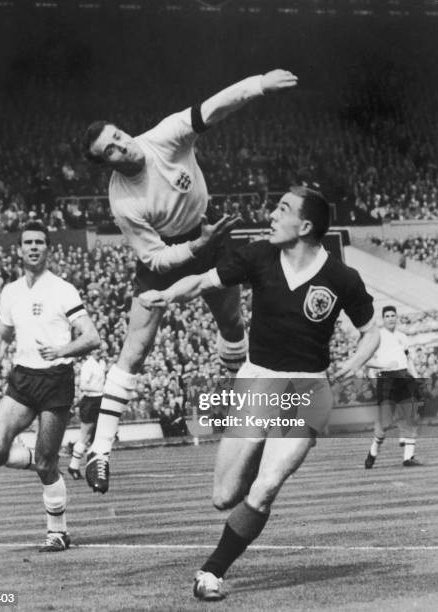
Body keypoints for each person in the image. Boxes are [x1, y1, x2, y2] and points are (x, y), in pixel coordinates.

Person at [140, 186, 380, 601]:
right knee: (224, 497)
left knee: (267, 486)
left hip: (306, 388)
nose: (271, 214)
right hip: (256, 380)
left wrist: (354, 363)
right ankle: (252, 470)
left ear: (304, 225)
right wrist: (167, 294)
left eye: (282, 208)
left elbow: (371, 331)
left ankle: (212, 572)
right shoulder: (258, 256)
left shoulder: (342, 278)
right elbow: (202, 281)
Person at [81, 68, 298, 493]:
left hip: (209, 236)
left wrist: (258, 85)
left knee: (234, 327)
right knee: (136, 349)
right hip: (176, 251)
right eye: (111, 149)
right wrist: (194, 249)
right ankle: (99, 451)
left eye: (119, 135)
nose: (122, 145)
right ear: (106, 163)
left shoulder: (164, 136)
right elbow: (156, 258)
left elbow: (213, 107)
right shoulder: (123, 200)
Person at [0, 221, 100, 552]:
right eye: (28, 242)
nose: (34, 247)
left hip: (55, 380)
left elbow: (92, 337)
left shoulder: (63, 290)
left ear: (48, 249)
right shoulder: (11, 292)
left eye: (40, 242)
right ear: (20, 249)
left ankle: (58, 532)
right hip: (22, 379)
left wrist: (62, 350)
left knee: (47, 466)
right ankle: (35, 454)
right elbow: (3, 335)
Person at [364, 305, 423, 469]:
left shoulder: (403, 337)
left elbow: (409, 359)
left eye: (393, 315)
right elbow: (366, 360)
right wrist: (384, 364)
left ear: (396, 317)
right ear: (383, 319)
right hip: (387, 379)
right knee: (385, 423)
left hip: (404, 377)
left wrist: (416, 375)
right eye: (387, 316)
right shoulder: (377, 337)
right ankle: (373, 451)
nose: (391, 318)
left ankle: (408, 458)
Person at [68, 347, 106, 480]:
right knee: (85, 435)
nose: (99, 352)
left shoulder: (102, 363)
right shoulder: (88, 365)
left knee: (98, 437)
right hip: (91, 400)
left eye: (99, 349)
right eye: (96, 350)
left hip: (100, 400)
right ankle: (73, 466)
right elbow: (83, 386)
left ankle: (92, 466)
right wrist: (101, 389)